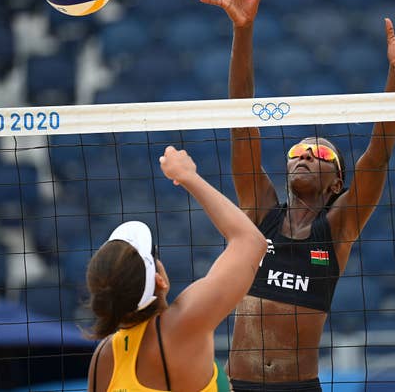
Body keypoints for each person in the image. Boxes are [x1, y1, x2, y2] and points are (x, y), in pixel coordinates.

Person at [194, 0, 395, 391]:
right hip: (238, 385)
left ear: (336, 183)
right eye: (297, 152)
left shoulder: (338, 228)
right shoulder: (259, 211)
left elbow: (377, 158)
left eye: (320, 153)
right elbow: (241, 121)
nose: (306, 155)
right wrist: (243, 30)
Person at [86, 145, 267, 392]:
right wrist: (187, 176)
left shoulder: (104, 357)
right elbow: (251, 242)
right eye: (155, 254)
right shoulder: (181, 326)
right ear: (159, 280)